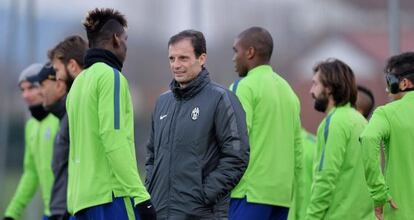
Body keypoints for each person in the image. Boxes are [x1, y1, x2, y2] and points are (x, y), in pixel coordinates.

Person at [145, 29, 249, 220]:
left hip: (201, 214)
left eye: (183, 58)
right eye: (172, 58)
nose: (176, 65)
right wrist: (151, 189)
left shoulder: (222, 99)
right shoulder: (162, 103)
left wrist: (203, 194)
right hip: (160, 212)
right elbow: (152, 155)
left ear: (201, 58)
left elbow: (236, 156)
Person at [65, 8, 155, 220]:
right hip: (110, 198)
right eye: (125, 39)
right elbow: (113, 139)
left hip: (80, 202)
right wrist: (140, 195)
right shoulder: (110, 77)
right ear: (116, 39)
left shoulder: (78, 83)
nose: (126, 45)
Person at [228, 26, 302, 220]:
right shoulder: (289, 92)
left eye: (236, 51)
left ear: (250, 52)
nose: (233, 58)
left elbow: (235, 140)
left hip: (248, 194)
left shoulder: (243, 87)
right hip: (282, 197)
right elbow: (298, 150)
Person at [306, 59, 374, 220]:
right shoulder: (362, 122)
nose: (311, 91)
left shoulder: (334, 122)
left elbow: (325, 176)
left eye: (315, 84)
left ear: (328, 88)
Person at [360, 52, 414, 220]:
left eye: (389, 82)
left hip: (401, 212)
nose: (387, 89)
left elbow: (368, 138)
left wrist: (378, 191)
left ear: (404, 83)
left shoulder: (386, 113)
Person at [3, 64, 60, 220]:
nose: (26, 95)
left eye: (31, 88)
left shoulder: (62, 119)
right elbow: (31, 172)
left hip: (72, 211)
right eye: (23, 90)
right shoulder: (31, 126)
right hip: (51, 213)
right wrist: (12, 213)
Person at [46, 35, 87, 220]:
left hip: (77, 209)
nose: (58, 78)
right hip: (68, 208)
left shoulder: (84, 106)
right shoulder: (73, 105)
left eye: (57, 70)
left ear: (71, 66)